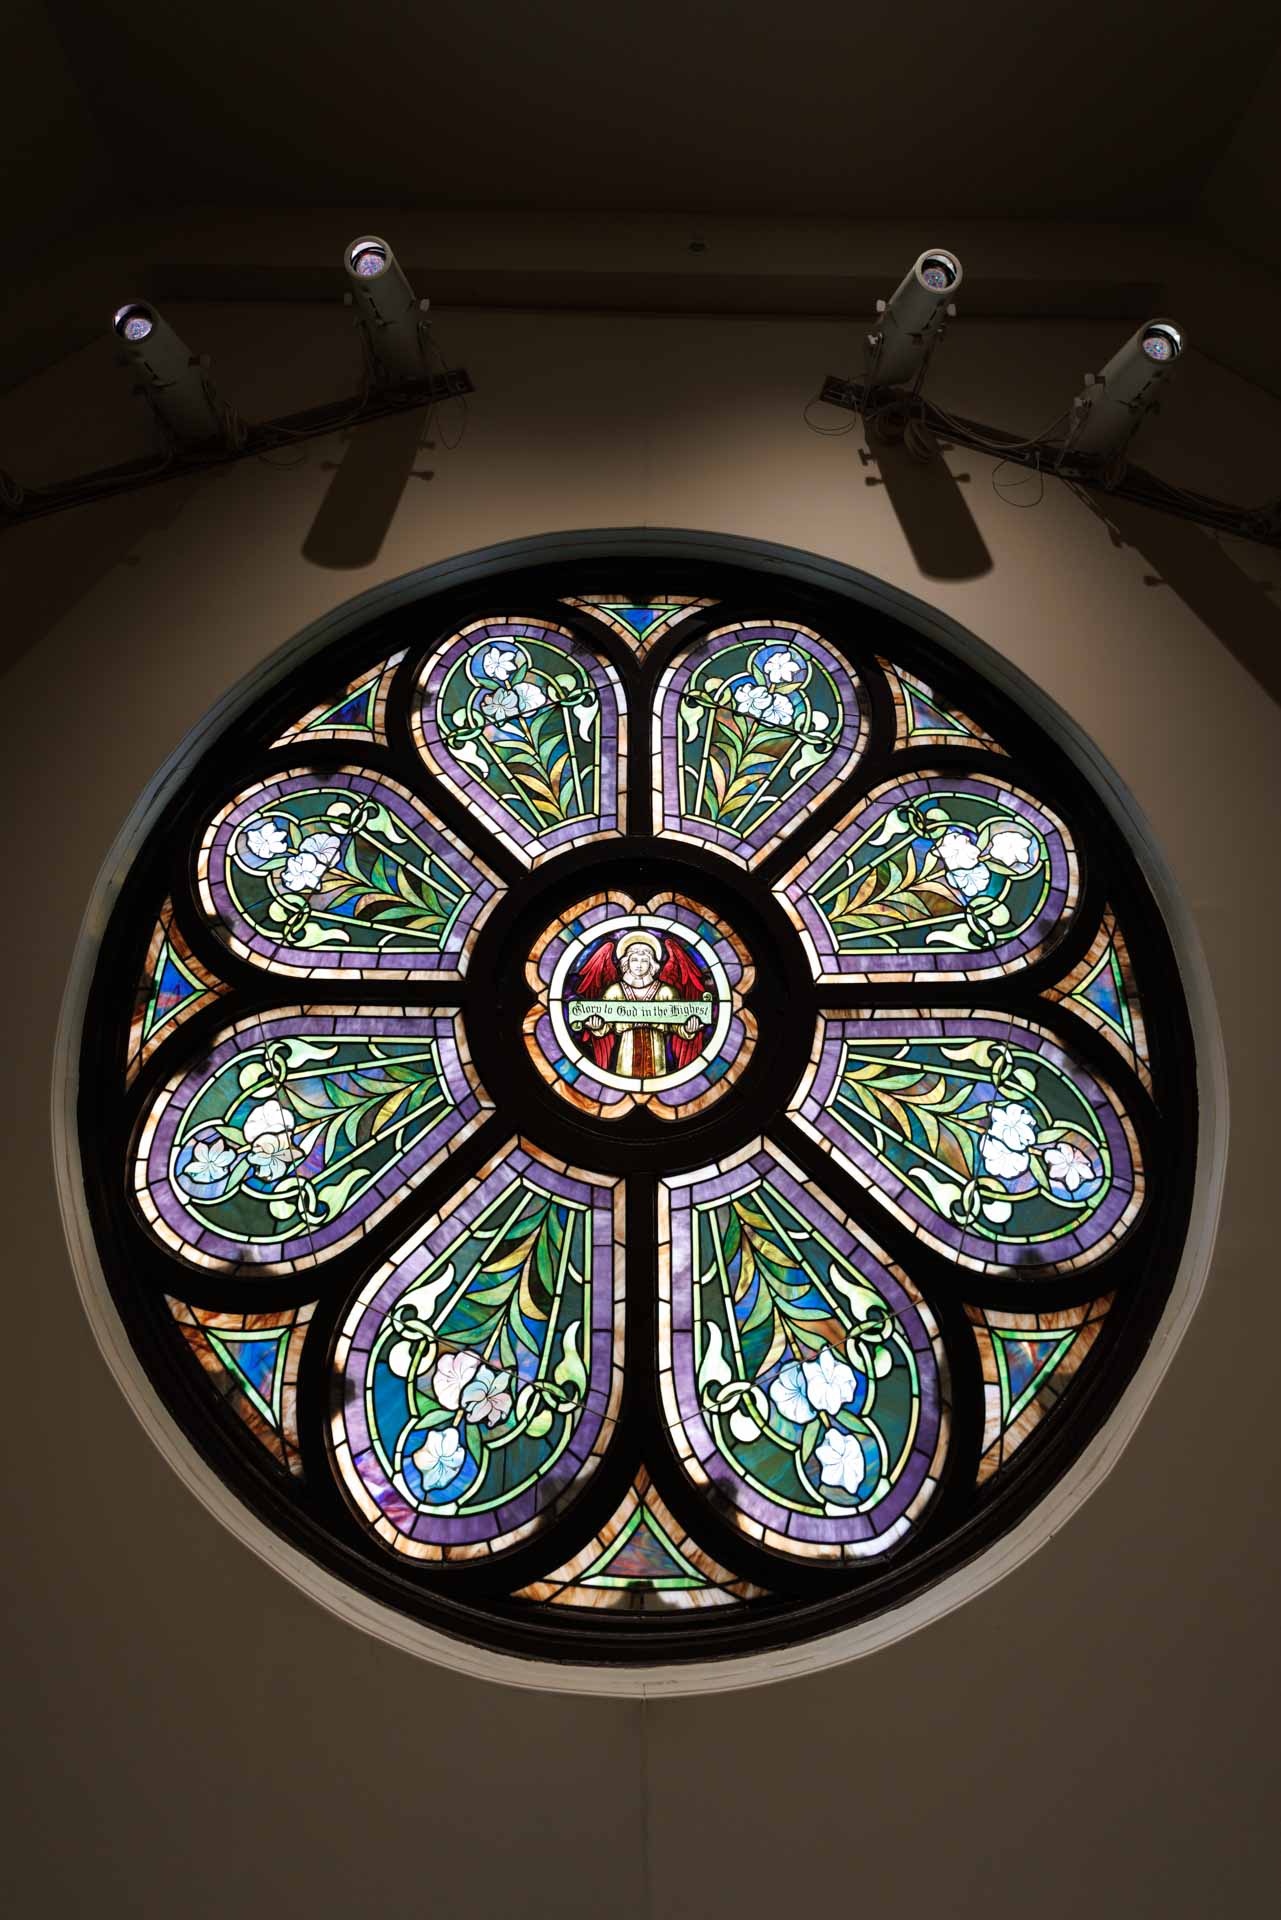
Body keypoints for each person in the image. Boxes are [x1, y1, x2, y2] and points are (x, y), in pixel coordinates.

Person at [570, 930, 711, 1078]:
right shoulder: (615, 991)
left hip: (657, 1050)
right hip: (626, 1050)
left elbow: (677, 1025)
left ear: (652, 964)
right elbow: (606, 1026)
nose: (639, 965)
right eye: (634, 959)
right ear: (626, 962)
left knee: (658, 1081)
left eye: (644, 960)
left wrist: (688, 1029)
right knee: (624, 1080)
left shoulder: (665, 991)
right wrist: (597, 1026)